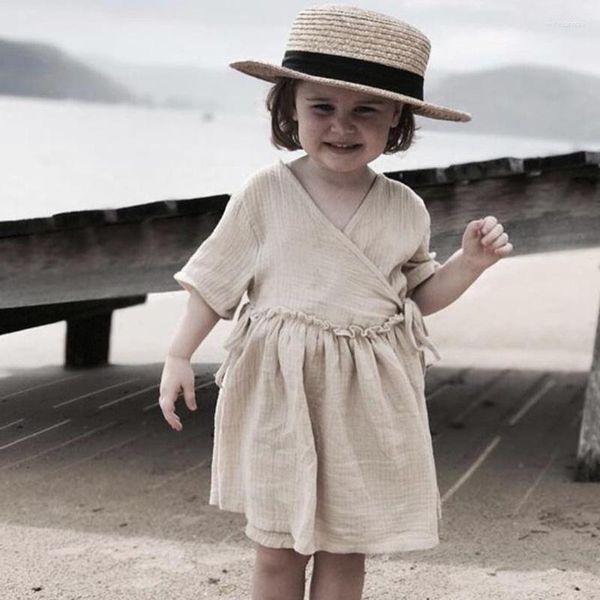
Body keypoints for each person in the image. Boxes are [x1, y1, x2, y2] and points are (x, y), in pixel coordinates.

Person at [159, 5, 513, 600]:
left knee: (347, 551)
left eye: (365, 111)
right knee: (276, 551)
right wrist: (177, 355)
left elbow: (418, 297)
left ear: (395, 119)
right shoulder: (265, 192)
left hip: (366, 396)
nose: (341, 126)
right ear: (289, 108)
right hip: (281, 389)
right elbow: (213, 281)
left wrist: (468, 265)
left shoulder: (405, 208)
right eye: (321, 106)